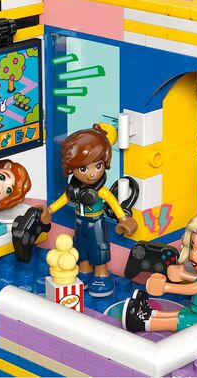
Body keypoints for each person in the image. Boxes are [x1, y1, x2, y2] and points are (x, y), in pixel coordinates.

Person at [38, 124, 138, 297]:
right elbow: (63, 200)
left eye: (98, 166)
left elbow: (113, 202)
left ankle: (101, 275)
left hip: (96, 222)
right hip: (80, 222)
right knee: (81, 248)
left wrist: (123, 219)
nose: (92, 174)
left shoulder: (101, 191)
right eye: (84, 169)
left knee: (99, 249)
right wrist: (49, 211)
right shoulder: (74, 190)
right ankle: (84, 271)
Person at [122, 213, 197, 332]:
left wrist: (165, 287)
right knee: (180, 313)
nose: (193, 255)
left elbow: (189, 289)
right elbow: (196, 279)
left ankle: (140, 323)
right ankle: (151, 313)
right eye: (192, 247)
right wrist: (182, 274)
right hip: (194, 311)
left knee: (177, 321)